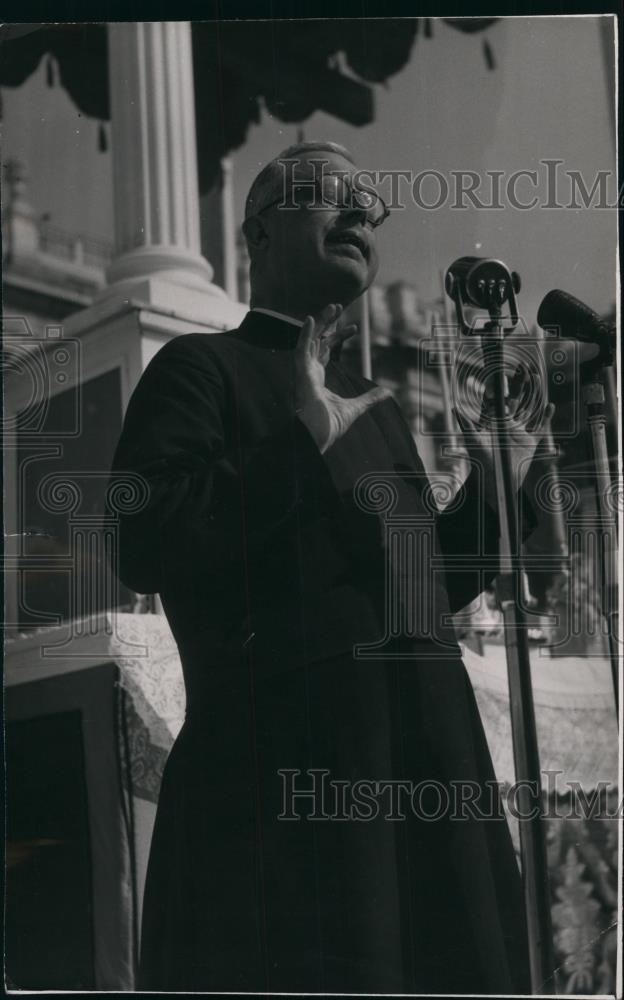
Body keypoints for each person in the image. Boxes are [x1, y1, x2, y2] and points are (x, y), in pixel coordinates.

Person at [110, 140, 552, 993]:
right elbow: (144, 542)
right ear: (259, 235)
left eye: (368, 204)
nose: (359, 214)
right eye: (328, 194)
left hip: (422, 770)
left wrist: (499, 481)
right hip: (289, 790)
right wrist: (300, 440)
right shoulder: (200, 370)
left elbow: (420, 586)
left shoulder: (375, 405)